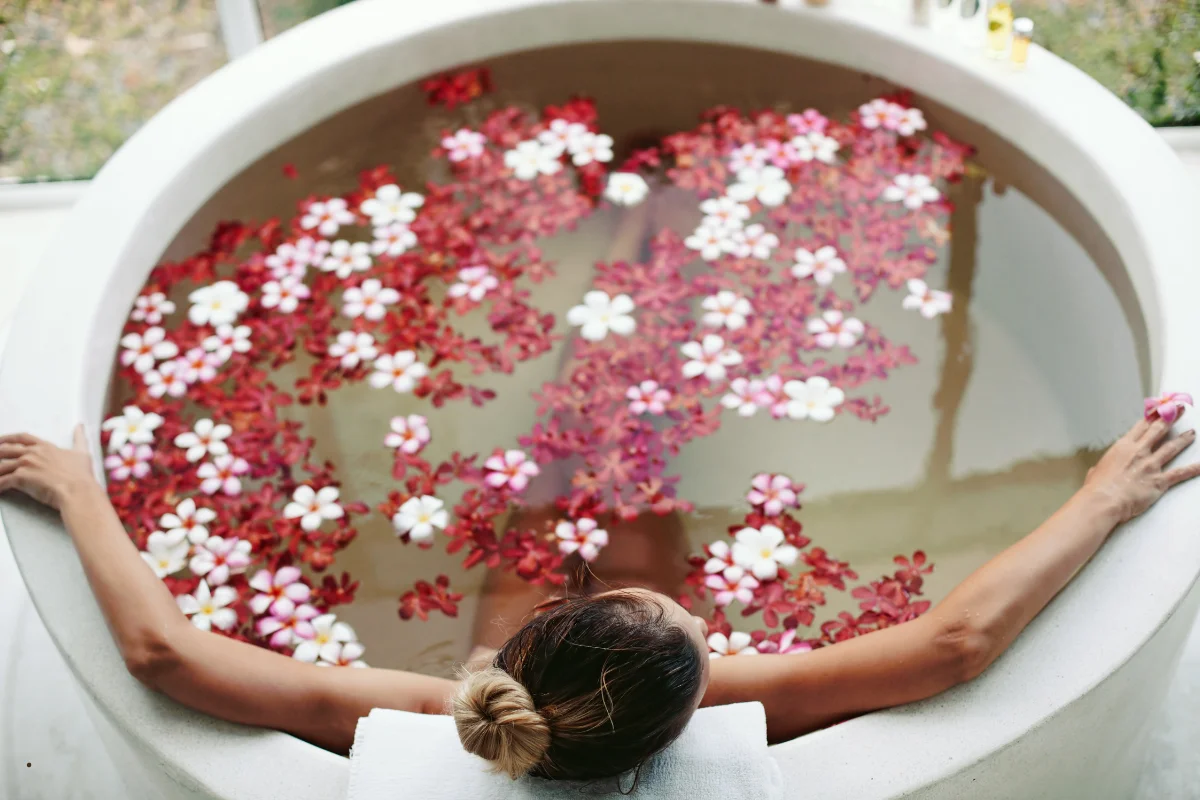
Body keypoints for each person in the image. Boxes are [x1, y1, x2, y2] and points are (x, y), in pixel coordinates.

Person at [0, 412, 1195, 783]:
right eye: (685, 611)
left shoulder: (437, 720)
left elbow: (163, 654)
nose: (691, 607)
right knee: (619, 507)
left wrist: (76, 488)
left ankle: (586, 436)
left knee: (553, 518)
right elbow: (958, 640)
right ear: (690, 714)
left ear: (512, 656)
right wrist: (1102, 494)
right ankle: (626, 435)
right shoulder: (716, 739)